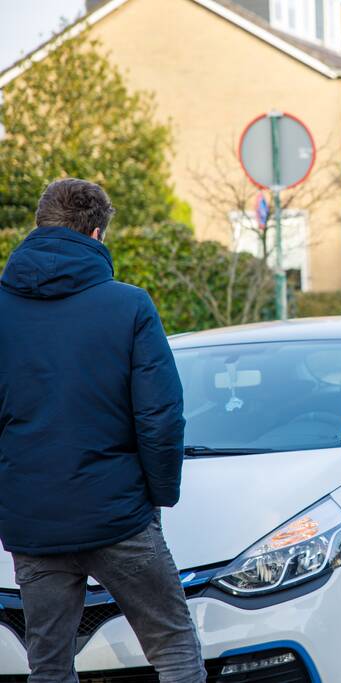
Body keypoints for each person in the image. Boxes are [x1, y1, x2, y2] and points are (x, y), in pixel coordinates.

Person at [0, 179, 205, 682]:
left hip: (34, 521)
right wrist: (156, 497)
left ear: (39, 225)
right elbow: (160, 416)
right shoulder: (129, 306)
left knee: (48, 664)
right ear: (97, 235)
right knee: (175, 648)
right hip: (119, 514)